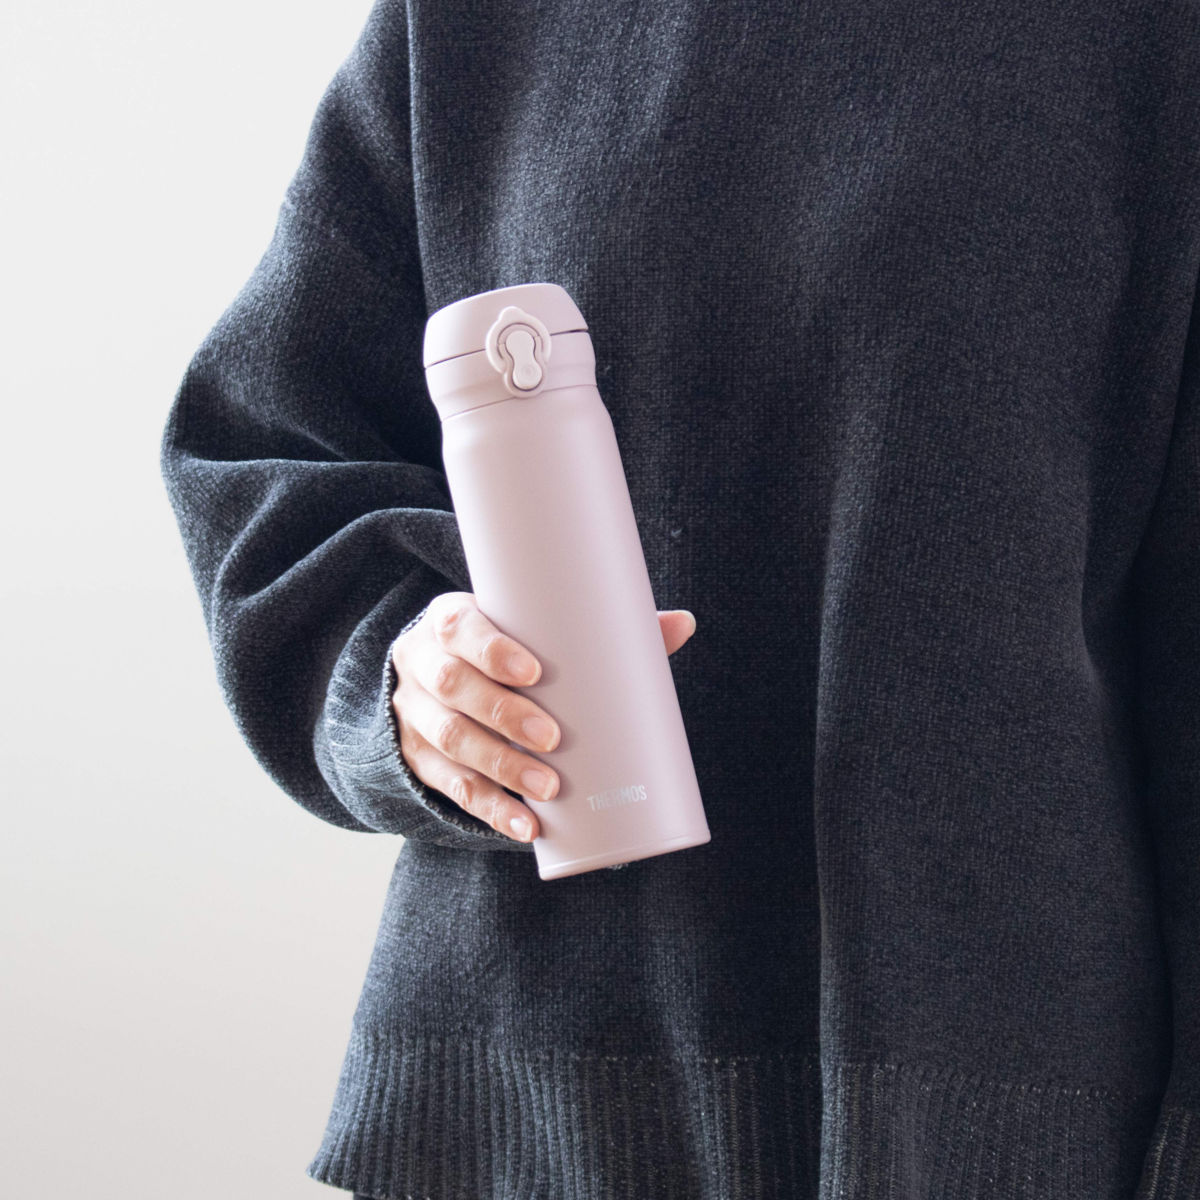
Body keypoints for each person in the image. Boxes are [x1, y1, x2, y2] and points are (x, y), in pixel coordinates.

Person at [160, 1, 1200, 1196]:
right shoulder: (467, 26)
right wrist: (406, 676)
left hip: (1003, 1113)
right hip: (543, 1104)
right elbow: (262, 445)